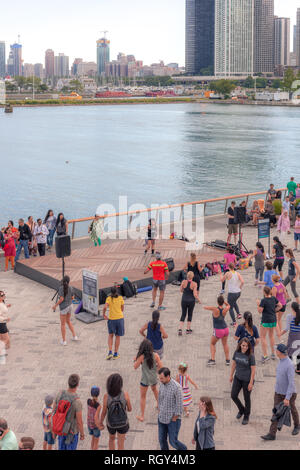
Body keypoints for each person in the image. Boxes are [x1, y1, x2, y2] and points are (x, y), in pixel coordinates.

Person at [261, 344, 300, 440]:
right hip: (278, 392)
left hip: (289, 394)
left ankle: (297, 425)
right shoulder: (280, 361)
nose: (275, 351)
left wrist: (287, 398)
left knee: (292, 409)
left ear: (280, 352)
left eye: (276, 350)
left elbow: (291, 383)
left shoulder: (289, 365)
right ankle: (272, 434)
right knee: (276, 412)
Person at [98, 373, 132, 451]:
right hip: (123, 423)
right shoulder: (125, 394)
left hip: (111, 423)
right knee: (121, 444)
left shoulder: (106, 396)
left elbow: (104, 412)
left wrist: (100, 423)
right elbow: (130, 409)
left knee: (111, 439)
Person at [157, 367, 187, 451]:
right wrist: (159, 409)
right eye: (160, 378)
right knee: (161, 440)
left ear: (168, 376)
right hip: (162, 418)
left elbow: (180, 404)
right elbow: (159, 397)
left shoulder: (177, 387)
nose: (160, 380)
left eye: (162, 378)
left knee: (173, 441)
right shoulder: (162, 384)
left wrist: (174, 418)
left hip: (172, 420)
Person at [53, 374, 84, 450]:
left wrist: (53, 431)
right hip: (72, 432)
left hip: (61, 429)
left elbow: (54, 411)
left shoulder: (60, 394)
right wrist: (82, 434)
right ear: (77, 385)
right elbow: (79, 421)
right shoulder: (77, 401)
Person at [134, 339, 162, 422]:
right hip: (153, 377)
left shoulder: (141, 357)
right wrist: (155, 369)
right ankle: (160, 406)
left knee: (143, 396)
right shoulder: (156, 355)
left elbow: (135, 367)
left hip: (145, 379)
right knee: (155, 390)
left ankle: (142, 416)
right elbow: (161, 367)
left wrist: (136, 360)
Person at [230, 338, 256, 425]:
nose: (245, 347)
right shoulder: (236, 353)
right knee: (233, 395)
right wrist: (231, 375)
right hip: (237, 377)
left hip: (247, 380)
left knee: (246, 398)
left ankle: (246, 415)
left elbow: (253, 370)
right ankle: (241, 409)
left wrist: (251, 382)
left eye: (246, 346)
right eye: (243, 345)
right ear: (240, 345)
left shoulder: (251, 356)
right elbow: (234, 364)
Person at [257, 286, 282, 363]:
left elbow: (260, 311)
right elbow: (280, 305)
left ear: (264, 292)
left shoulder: (263, 300)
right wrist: (274, 310)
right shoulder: (273, 298)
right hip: (273, 320)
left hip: (266, 321)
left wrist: (258, 304)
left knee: (263, 337)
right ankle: (273, 354)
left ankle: (265, 356)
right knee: (271, 336)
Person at [204, 295, 230, 366]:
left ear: (217, 302)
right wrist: (224, 301)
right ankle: (227, 360)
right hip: (225, 329)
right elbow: (228, 305)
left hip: (218, 330)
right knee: (225, 344)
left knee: (212, 343)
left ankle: (212, 360)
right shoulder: (226, 309)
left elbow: (205, 307)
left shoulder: (215, 309)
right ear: (222, 302)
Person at [52, 275, 78, 346]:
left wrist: (55, 306)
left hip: (64, 308)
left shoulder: (61, 288)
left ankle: (64, 341)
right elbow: (73, 297)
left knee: (63, 324)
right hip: (70, 306)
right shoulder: (71, 288)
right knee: (68, 321)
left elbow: (61, 299)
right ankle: (74, 336)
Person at [102, 286, 125, 360]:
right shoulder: (120, 298)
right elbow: (122, 308)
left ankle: (110, 352)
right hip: (120, 319)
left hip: (111, 319)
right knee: (118, 336)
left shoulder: (108, 298)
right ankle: (116, 353)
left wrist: (104, 314)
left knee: (110, 335)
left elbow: (105, 307)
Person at [279, 302, 300, 375]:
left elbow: (287, 328)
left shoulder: (289, 316)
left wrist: (280, 334)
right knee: (298, 351)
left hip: (292, 337)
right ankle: (298, 369)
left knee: (290, 352)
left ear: (292, 308)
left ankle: (288, 369)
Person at [178, 271, 201, 336]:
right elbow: (195, 294)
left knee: (183, 314)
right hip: (191, 301)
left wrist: (185, 291)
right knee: (190, 314)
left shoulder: (183, 282)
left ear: (187, 276)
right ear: (192, 276)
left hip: (184, 300)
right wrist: (199, 300)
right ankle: (188, 329)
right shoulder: (194, 284)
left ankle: (180, 329)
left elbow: (181, 290)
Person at [87, 386, 102, 450]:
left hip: (89, 424)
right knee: (96, 443)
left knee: (92, 440)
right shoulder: (98, 405)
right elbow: (96, 417)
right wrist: (99, 426)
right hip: (95, 426)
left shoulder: (88, 401)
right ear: (98, 394)